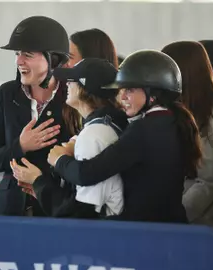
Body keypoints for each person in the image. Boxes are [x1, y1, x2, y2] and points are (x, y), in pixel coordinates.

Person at [48, 50, 202, 223]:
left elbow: (87, 173)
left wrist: (59, 159)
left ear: (152, 95)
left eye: (129, 89)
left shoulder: (144, 130)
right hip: (168, 226)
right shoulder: (170, 121)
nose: (122, 97)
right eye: (121, 90)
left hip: (147, 232)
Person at [0, 16, 81, 216]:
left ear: (53, 59)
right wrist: (20, 146)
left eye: (27, 54)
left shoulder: (74, 95)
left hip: (54, 209)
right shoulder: (7, 93)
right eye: (17, 54)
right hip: (10, 210)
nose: (18, 61)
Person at [10, 58, 127, 219]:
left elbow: (81, 214)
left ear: (84, 89)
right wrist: (41, 188)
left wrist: (38, 181)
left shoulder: (93, 135)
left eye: (72, 81)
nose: (66, 84)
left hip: (100, 235)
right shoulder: (106, 126)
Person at [162, 41, 213, 230]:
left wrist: (172, 219)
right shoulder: (193, 114)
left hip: (199, 232)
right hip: (189, 228)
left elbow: (207, 182)